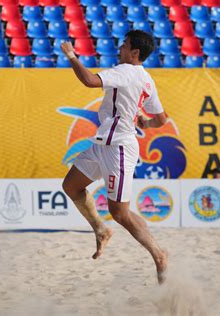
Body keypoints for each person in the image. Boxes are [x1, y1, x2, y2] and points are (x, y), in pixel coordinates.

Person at [60, 30, 169, 284]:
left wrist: (71, 56)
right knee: (71, 185)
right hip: (104, 143)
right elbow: (162, 119)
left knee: (120, 213)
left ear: (135, 53)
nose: (120, 48)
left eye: (124, 45)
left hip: (119, 147)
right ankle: (101, 229)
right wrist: (145, 121)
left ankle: (159, 255)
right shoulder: (146, 79)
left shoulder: (125, 71)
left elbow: (88, 80)